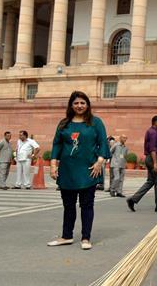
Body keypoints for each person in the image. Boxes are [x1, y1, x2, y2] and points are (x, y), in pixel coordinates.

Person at [47, 91, 110, 250]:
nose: (79, 106)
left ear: (87, 105)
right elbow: (57, 144)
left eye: (82, 103)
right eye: (76, 103)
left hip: (88, 170)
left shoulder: (95, 122)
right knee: (68, 205)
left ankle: (86, 238)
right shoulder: (64, 124)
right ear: (71, 105)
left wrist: (99, 162)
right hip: (67, 171)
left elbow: (103, 143)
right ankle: (66, 236)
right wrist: (53, 166)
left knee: (87, 205)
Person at [127, 116, 157, 213]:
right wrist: (155, 163)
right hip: (154, 158)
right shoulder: (153, 133)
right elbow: (152, 148)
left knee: (151, 181)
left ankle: (133, 199)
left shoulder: (151, 131)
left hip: (149, 158)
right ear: (155, 122)